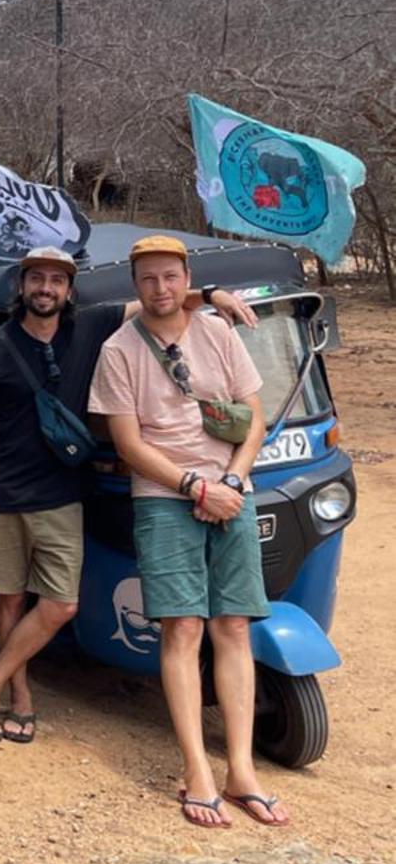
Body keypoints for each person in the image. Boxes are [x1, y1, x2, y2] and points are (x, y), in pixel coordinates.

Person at [0, 245, 255, 745]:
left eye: (56, 280)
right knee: (8, 600)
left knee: (59, 604)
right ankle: (17, 696)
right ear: (22, 287)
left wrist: (214, 294)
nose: (46, 289)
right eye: (37, 279)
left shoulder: (91, 327)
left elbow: (160, 301)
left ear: (69, 290)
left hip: (63, 494)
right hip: (3, 493)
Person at [89, 237, 285, 830]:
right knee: (183, 628)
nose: (160, 289)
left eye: (170, 277)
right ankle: (197, 769)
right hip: (165, 499)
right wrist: (196, 488)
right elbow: (128, 445)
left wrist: (230, 479)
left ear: (186, 277)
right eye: (148, 279)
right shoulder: (119, 349)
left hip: (233, 493)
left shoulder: (217, 333)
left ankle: (242, 768)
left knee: (233, 626)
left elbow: (254, 416)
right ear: (136, 284)